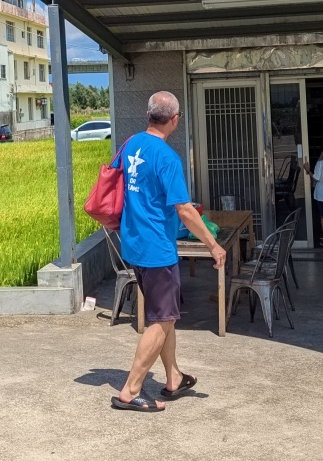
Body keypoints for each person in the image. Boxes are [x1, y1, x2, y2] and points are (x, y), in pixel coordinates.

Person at [112, 91, 226, 412]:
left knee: (166, 316)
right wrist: (213, 245)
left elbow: (119, 182)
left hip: (134, 244)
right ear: (174, 120)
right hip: (157, 250)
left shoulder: (131, 144)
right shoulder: (167, 157)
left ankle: (173, 377)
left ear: (148, 115)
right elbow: (186, 211)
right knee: (161, 320)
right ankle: (131, 389)